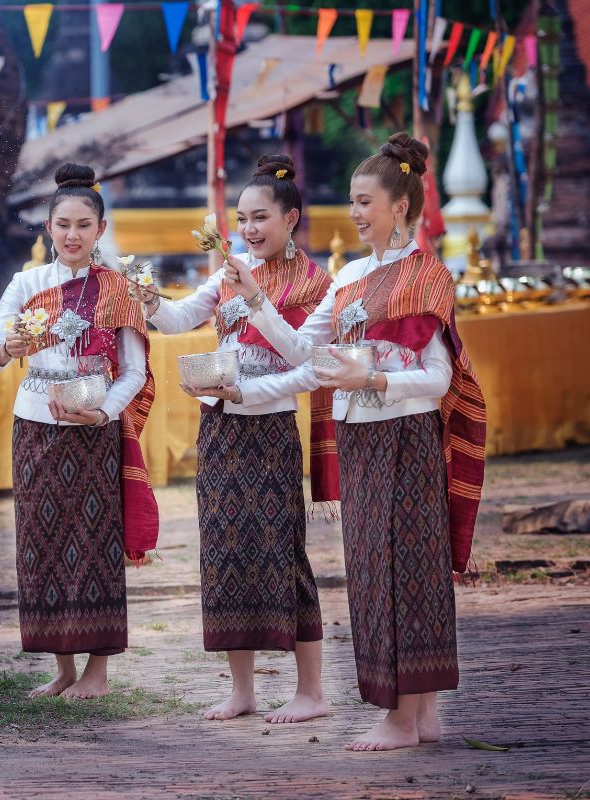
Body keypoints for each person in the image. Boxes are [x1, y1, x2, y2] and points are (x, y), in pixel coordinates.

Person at [224, 133, 487, 751]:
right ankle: (414, 715)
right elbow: (303, 351)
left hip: (406, 436)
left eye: (364, 201)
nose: (354, 213)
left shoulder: (428, 277)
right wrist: (256, 298)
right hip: (359, 438)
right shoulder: (348, 276)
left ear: (399, 206)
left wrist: (372, 376)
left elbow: (439, 378)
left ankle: (409, 713)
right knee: (372, 574)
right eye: (351, 201)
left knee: (410, 573)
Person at [136, 155, 335, 724]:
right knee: (223, 554)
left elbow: (309, 362)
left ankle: (312, 693)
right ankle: (242, 689)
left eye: (260, 218)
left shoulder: (313, 282)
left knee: (281, 553)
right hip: (220, 426)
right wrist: (148, 299)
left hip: (269, 430)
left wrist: (255, 305)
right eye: (242, 220)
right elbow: (178, 322)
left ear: (290, 217)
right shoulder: (228, 270)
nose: (248, 230)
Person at [0, 163, 159, 700]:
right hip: (34, 426)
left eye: (84, 225)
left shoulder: (119, 290)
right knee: (43, 541)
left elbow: (132, 372)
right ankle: (61, 667)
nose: (72, 235)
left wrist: (104, 413)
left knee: (94, 542)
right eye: (62, 225)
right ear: (49, 228)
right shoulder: (26, 283)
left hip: (93, 431)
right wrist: (9, 349)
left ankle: (97, 673)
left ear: (100, 230)